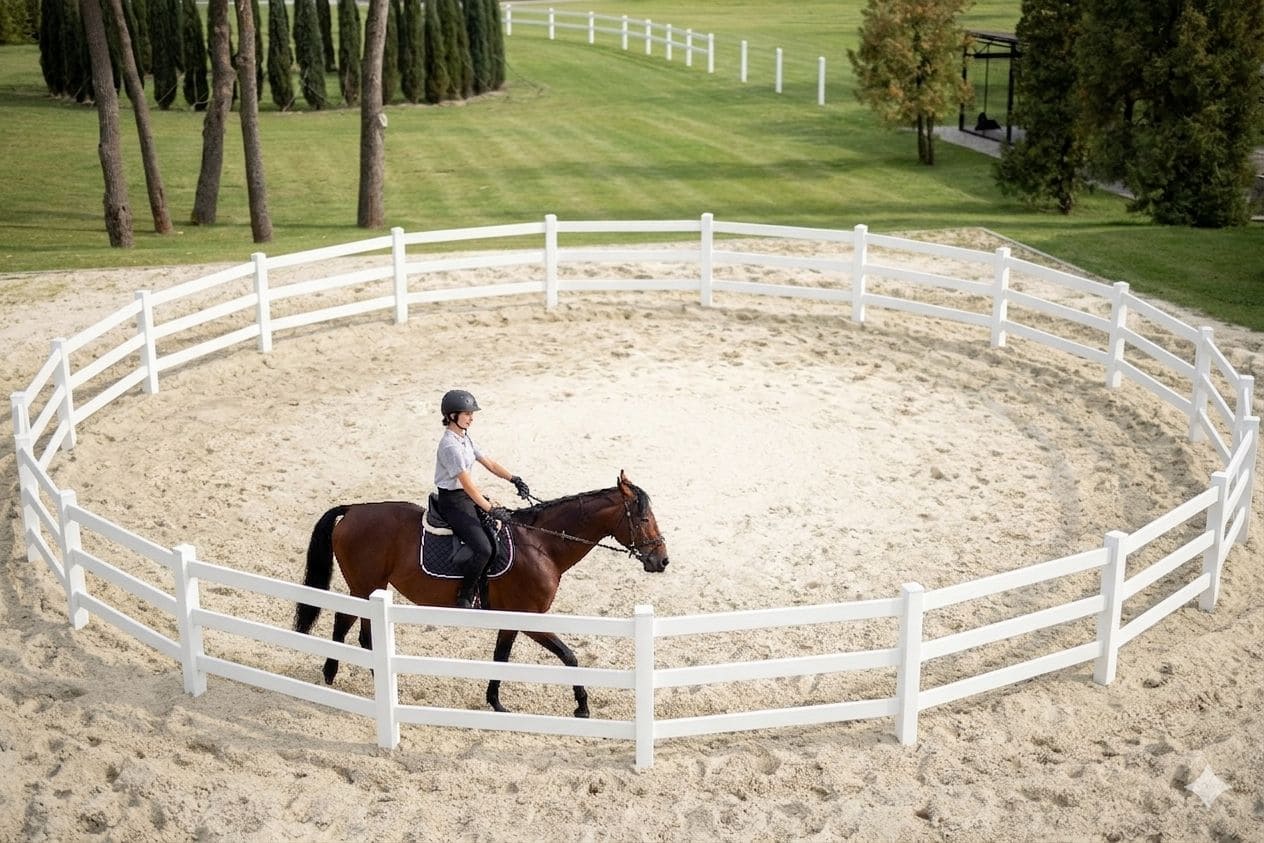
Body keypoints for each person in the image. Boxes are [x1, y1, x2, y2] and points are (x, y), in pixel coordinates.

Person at [433, 389, 531, 608]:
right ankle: (464, 595)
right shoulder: (449, 446)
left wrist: (514, 478)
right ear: (451, 416)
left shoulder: (465, 439)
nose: (471, 417)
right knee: (484, 548)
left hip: (466, 497)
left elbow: (490, 463)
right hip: (453, 501)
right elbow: (467, 485)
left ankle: (485, 585)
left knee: (495, 540)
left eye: (471, 413)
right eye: (467, 413)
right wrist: (490, 509)